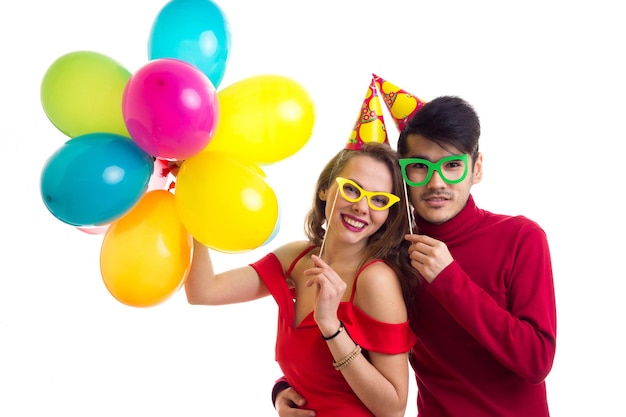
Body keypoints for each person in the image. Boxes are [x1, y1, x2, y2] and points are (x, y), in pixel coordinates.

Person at [273, 93, 557, 417]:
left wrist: (450, 280)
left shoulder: (521, 238)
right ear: (401, 176)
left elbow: (537, 361)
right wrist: (288, 387)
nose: (437, 182)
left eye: (452, 165)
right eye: (420, 167)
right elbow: (336, 329)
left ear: (476, 169)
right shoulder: (389, 256)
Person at [185, 123, 419, 416]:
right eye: (351, 189)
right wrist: (193, 207)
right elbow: (203, 291)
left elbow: (393, 409)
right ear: (324, 189)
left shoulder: (375, 280)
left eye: (380, 200)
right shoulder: (296, 258)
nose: (362, 206)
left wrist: (330, 325)